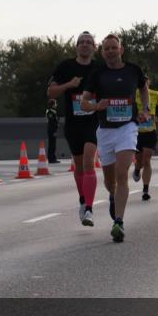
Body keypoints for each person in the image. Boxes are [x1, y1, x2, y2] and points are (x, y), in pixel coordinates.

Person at [79, 34, 150, 242]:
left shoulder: (133, 70)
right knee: (110, 180)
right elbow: (84, 103)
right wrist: (96, 106)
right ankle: (112, 195)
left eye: (113, 47)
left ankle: (118, 222)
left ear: (121, 50)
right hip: (105, 131)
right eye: (106, 48)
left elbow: (143, 88)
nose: (110, 51)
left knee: (122, 174)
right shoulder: (97, 74)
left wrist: (145, 109)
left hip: (127, 127)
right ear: (102, 52)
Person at [48, 31, 99, 226]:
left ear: (94, 47)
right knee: (79, 165)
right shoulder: (66, 67)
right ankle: (82, 199)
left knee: (88, 161)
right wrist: (69, 84)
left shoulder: (99, 69)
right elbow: (50, 92)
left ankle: (89, 209)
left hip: (93, 121)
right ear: (77, 46)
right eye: (81, 42)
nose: (85, 45)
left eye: (89, 42)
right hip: (73, 123)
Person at [133, 78, 158, 201]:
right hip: (135, 132)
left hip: (150, 131)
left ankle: (145, 189)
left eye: (146, 81)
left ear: (149, 82)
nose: (144, 83)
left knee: (147, 159)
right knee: (140, 161)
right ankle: (137, 168)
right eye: (142, 80)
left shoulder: (155, 94)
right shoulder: (132, 93)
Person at [45, 99, 60, 163]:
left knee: (53, 145)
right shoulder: (50, 112)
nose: (56, 105)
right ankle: (51, 159)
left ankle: (53, 158)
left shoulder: (53, 111)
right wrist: (54, 131)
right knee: (51, 145)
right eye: (55, 103)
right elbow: (51, 123)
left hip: (53, 130)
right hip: (52, 130)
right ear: (52, 105)